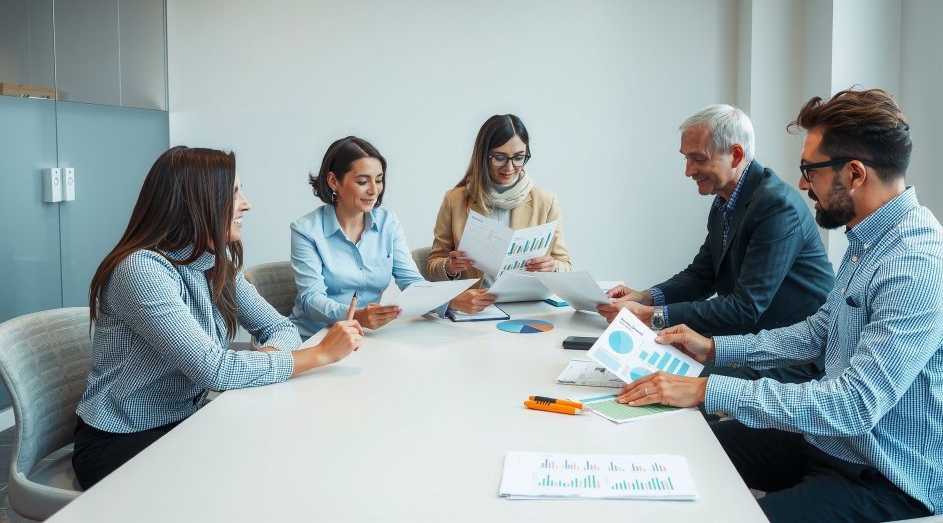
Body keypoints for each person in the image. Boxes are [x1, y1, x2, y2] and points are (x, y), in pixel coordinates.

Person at [617, 89, 943, 522]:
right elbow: (816, 333)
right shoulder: (869, 242)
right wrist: (714, 350)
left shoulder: (920, 268)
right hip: (830, 443)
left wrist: (708, 388)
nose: (804, 183)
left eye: (810, 170)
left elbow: (854, 405)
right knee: (683, 441)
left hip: (887, 479)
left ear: (855, 174)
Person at [73, 147, 363, 490]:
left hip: (187, 420)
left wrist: (264, 358)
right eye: (234, 192)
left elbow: (279, 327)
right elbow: (215, 370)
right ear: (194, 202)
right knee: (251, 478)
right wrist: (318, 354)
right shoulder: (142, 270)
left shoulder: (213, 261)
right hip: (122, 440)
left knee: (285, 455)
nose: (247, 203)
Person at [598, 104, 834, 385]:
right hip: (751, 343)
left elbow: (745, 307)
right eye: (686, 158)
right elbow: (701, 276)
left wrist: (653, 317)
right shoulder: (725, 200)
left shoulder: (776, 205)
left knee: (660, 383)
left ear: (734, 155)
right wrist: (645, 297)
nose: (688, 171)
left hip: (792, 358)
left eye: (698, 159)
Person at [290, 136, 488, 339]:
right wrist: (357, 316)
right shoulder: (306, 231)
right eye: (362, 181)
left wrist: (452, 301)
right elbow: (311, 299)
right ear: (333, 181)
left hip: (366, 337)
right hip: (313, 337)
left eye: (378, 180)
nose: (374, 190)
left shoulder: (388, 222)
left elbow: (411, 282)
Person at [426, 114, 571, 287]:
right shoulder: (455, 200)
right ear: (483, 156)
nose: (509, 168)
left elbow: (565, 264)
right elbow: (432, 265)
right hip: (476, 306)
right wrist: (449, 267)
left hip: (527, 301)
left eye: (518, 157)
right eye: (499, 158)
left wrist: (553, 267)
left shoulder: (546, 202)